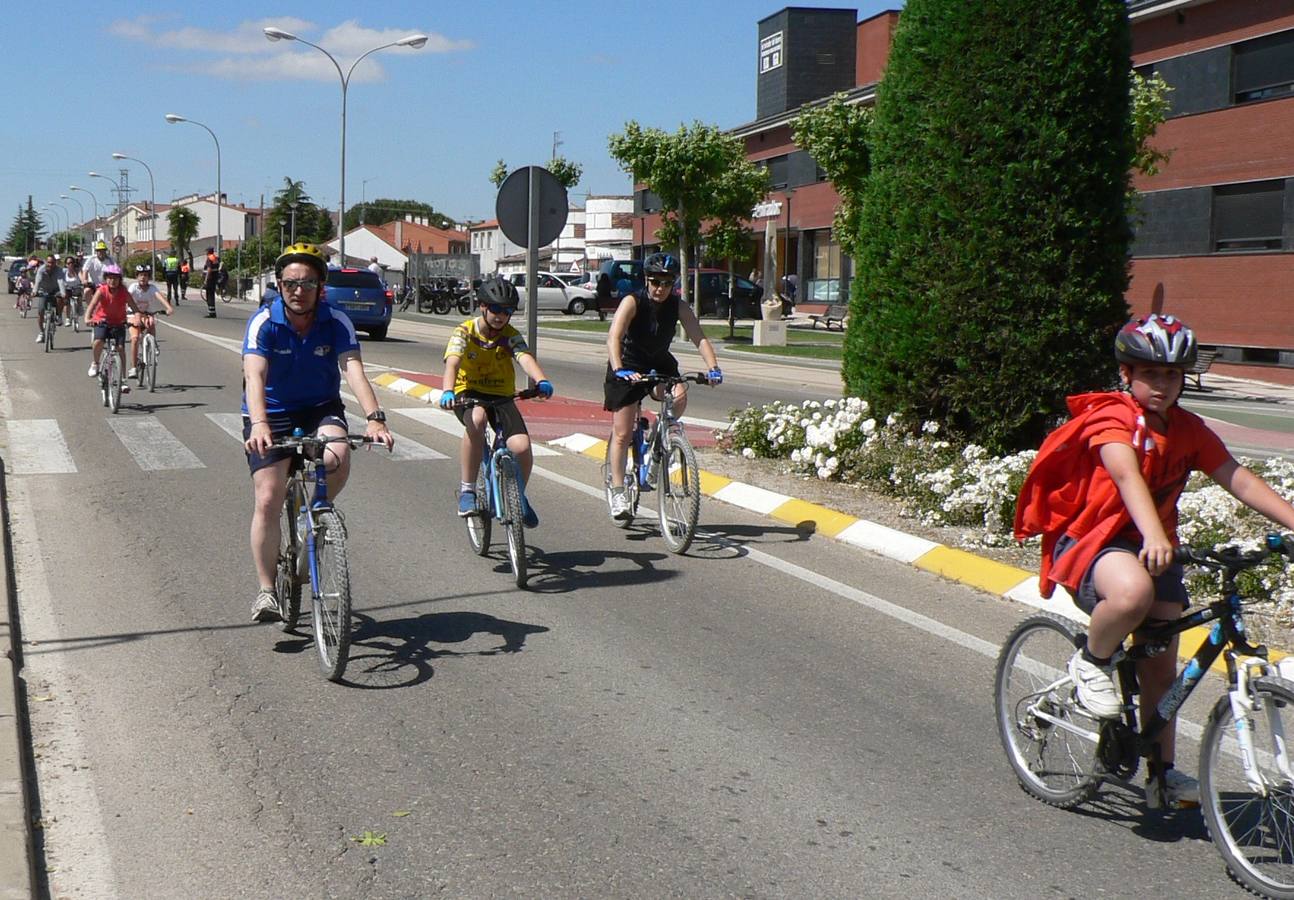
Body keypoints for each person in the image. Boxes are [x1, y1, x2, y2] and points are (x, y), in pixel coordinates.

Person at [1014, 313, 1294, 810]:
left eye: (1171, 374)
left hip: (1155, 549)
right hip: (1093, 543)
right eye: (1150, 373)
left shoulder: (1188, 429)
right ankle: (1091, 662)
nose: (1162, 384)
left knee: (1161, 671)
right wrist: (1152, 534)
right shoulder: (1111, 418)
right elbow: (1126, 476)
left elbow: (1237, 477)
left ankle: (1161, 775)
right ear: (1127, 374)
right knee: (1133, 594)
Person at [241, 242, 394, 622]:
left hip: (320, 408)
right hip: (271, 412)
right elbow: (254, 375)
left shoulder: (336, 320)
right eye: (290, 283)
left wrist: (375, 417)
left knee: (337, 455)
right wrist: (259, 423)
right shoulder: (264, 321)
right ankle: (266, 591)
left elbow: (353, 369)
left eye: (308, 283)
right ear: (279, 285)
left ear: (320, 287)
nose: (299, 290)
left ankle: (315, 516)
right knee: (268, 497)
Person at [603, 252, 722, 520]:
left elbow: (699, 337)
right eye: (656, 282)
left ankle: (658, 442)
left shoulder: (678, 306)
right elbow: (614, 337)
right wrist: (620, 369)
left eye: (667, 283)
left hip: (658, 362)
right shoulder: (632, 301)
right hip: (628, 364)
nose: (661, 288)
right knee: (622, 433)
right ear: (646, 280)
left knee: (678, 396)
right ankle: (619, 491)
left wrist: (713, 367)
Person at [438, 276, 552, 522]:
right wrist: (448, 390)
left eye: (507, 311)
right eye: (496, 309)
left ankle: (518, 496)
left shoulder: (510, 335)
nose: (500, 316)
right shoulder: (464, 331)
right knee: (477, 420)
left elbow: (524, 357)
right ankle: (468, 490)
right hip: (468, 393)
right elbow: (453, 363)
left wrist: (541, 380)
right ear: (482, 306)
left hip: (501, 395)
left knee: (521, 446)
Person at [84, 264, 141, 378]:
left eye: (115, 278)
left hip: (118, 322)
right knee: (98, 341)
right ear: (106, 279)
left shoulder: (124, 292)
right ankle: (95, 363)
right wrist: (87, 318)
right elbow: (92, 305)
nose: (112, 281)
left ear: (120, 280)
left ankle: (123, 379)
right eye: (110, 278)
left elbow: (135, 308)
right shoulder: (102, 290)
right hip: (102, 321)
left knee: (120, 349)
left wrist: (137, 319)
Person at [127, 264, 174, 376]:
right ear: (136, 276)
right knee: (135, 338)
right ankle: (133, 367)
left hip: (146, 314)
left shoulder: (152, 288)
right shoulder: (133, 287)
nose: (143, 277)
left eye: (146, 275)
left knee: (151, 321)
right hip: (133, 314)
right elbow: (126, 298)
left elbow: (160, 297)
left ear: (149, 277)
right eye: (140, 275)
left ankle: (152, 343)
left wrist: (169, 307)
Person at [31, 254, 65, 342]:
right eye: (49, 262)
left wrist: (63, 293)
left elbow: (60, 281)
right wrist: (34, 291)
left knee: (60, 298)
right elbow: (38, 281)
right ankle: (41, 333)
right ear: (46, 262)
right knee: (41, 311)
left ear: (55, 263)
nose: (50, 264)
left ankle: (59, 316)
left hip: (55, 290)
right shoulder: (41, 269)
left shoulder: (59, 270)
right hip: (44, 290)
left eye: (52, 262)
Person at [81, 240, 115, 311]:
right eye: (99, 251)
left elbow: (116, 271)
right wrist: (84, 280)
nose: (101, 252)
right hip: (93, 284)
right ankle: (91, 309)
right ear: (96, 251)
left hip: (106, 285)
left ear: (105, 251)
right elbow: (85, 270)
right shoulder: (91, 259)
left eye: (103, 250)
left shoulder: (110, 260)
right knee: (87, 291)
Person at [202, 247, 219, 317]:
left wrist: (206, 279)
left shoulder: (209, 258)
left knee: (209, 296)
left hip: (210, 279)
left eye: (206, 251)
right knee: (211, 295)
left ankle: (211, 313)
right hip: (214, 279)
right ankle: (212, 312)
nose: (205, 252)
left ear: (208, 252)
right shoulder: (215, 258)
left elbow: (209, 269)